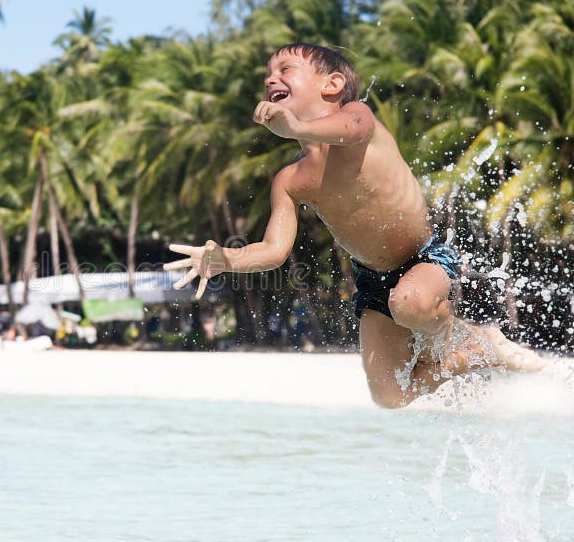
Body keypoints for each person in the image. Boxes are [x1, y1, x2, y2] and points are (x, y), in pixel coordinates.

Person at [163, 42, 546, 408]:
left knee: (410, 304)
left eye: (285, 69)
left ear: (332, 85)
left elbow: (350, 130)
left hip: (424, 258)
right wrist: (226, 260)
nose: (270, 79)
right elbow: (273, 250)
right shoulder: (291, 180)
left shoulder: (359, 117)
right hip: (372, 279)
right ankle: (473, 352)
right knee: (390, 396)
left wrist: (296, 125)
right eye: (268, 73)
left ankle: (469, 339)